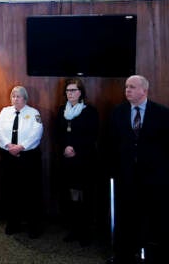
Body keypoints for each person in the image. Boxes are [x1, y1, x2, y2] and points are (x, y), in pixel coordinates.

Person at [108, 75, 169, 264]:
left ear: (144, 90)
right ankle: (123, 254)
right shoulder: (118, 112)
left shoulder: (162, 113)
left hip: (153, 177)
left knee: (154, 218)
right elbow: (111, 143)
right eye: (126, 87)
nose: (127, 90)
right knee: (126, 218)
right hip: (126, 175)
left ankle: (153, 253)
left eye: (132, 87)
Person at [55, 78, 99, 246]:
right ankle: (73, 229)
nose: (70, 93)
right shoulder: (61, 111)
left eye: (73, 90)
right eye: (68, 91)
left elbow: (92, 135)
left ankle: (85, 231)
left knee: (84, 196)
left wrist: (76, 149)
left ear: (81, 92)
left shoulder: (90, 111)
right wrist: (65, 147)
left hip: (84, 160)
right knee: (70, 196)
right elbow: (58, 133)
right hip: (67, 161)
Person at [0, 85, 44, 237]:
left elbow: (37, 133)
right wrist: (9, 146)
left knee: (31, 192)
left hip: (28, 158)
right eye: (13, 96)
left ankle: (33, 226)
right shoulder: (4, 112)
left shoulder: (33, 113)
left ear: (25, 98)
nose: (15, 99)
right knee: (10, 191)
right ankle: (13, 223)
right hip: (8, 156)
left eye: (18, 96)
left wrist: (21, 147)